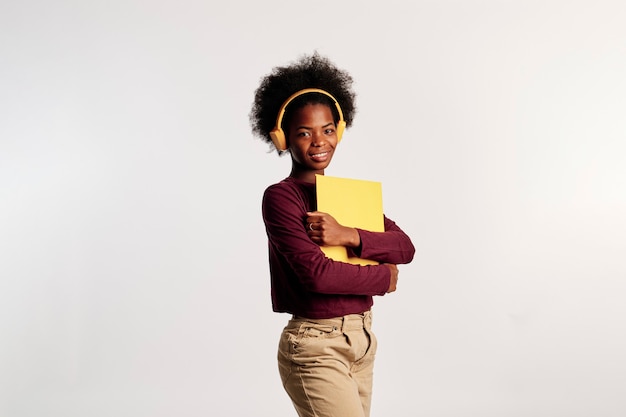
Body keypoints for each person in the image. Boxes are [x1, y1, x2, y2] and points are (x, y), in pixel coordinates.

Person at [249, 52, 415, 417]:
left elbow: (405, 247)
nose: (319, 140)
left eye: (327, 129)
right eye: (304, 132)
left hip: (362, 340)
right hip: (315, 344)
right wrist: (383, 277)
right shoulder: (281, 197)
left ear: (338, 131)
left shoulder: (348, 196)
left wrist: (349, 234)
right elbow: (317, 275)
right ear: (282, 138)